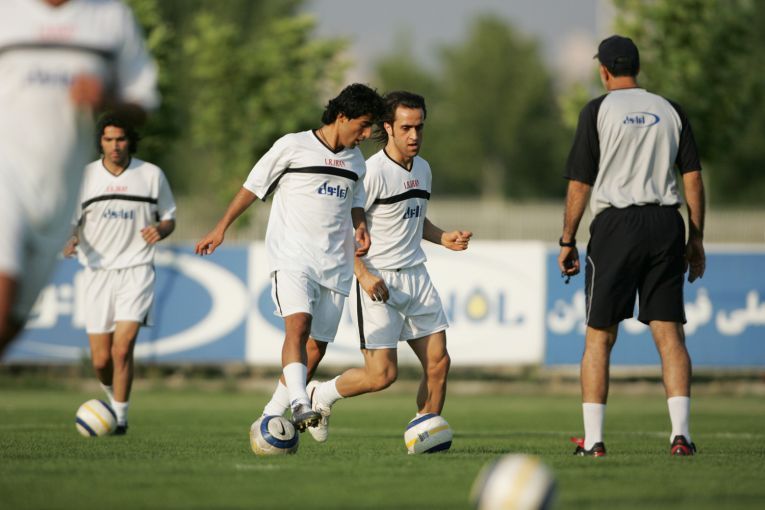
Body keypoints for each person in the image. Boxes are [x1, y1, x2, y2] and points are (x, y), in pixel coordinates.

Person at [195, 84, 385, 431]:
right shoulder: (292, 145)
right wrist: (221, 228)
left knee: (316, 349)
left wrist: (360, 226)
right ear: (343, 116)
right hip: (293, 256)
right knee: (298, 325)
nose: (366, 135)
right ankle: (299, 402)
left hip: (336, 264)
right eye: (363, 125)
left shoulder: (356, 161)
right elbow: (253, 186)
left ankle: (270, 415)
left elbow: (356, 200)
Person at [558, 35, 706, 456]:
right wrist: (695, 237)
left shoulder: (597, 110)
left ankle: (595, 441)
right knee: (670, 335)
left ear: (603, 70)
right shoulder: (671, 110)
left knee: (599, 338)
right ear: (636, 68)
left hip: (616, 226)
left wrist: (567, 239)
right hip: (665, 224)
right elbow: (693, 177)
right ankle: (681, 436)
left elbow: (580, 183)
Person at [306, 91, 472, 443]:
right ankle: (321, 394)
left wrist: (443, 237)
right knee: (382, 375)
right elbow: (342, 226)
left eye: (419, 127)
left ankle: (425, 436)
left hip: (417, 276)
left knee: (439, 363)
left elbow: (416, 220)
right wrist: (363, 274)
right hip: (378, 281)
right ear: (388, 128)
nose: (414, 135)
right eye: (406, 127)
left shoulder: (423, 168)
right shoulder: (372, 172)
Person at [0, 0, 159, 360]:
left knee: (9, 324)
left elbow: (143, 102)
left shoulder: (111, 16)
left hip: (58, 194)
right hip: (5, 177)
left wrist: (108, 100)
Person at [63, 115, 176, 435]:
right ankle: (113, 402)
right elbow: (69, 222)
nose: (115, 145)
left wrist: (160, 230)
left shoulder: (151, 174)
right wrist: (70, 239)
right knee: (101, 361)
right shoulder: (84, 177)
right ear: (100, 142)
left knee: (122, 348)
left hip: (137, 270)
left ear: (130, 141)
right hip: (97, 272)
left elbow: (169, 218)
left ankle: (121, 419)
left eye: (121, 139)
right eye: (109, 139)